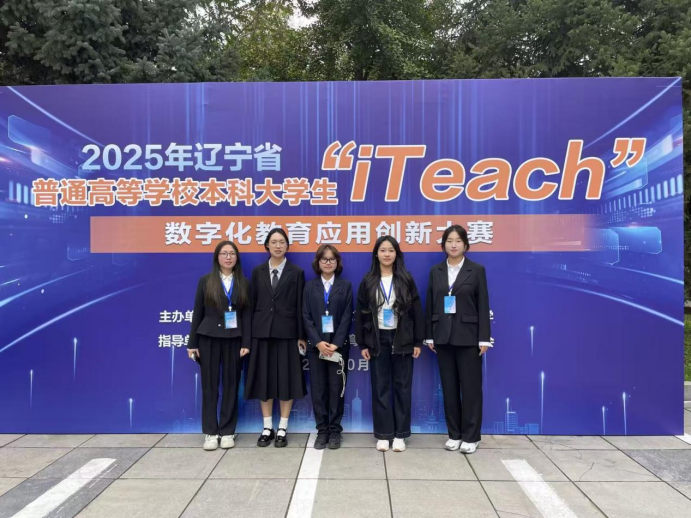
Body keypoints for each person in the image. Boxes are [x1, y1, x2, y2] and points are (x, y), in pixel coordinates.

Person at [425, 224, 491, 454]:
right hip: (443, 338)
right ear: (444, 244)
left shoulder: (477, 270)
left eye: (458, 241)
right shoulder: (436, 271)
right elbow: (430, 304)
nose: (453, 245)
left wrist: (484, 338)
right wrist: (429, 335)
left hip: (469, 338)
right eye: (449, 241)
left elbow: (483, 304)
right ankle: (454, 434)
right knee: (449, 389)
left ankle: (471, 437)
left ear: (465, 244)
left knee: (471, 390)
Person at [355, 236, 424, 452]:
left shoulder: (406, 279)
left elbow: (416, 311)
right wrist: (362, 344)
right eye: (383, 250)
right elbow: (361, 314)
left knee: (402, 387)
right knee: (380, 387)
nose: (387, 254)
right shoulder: (368, 281)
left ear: (397, 254)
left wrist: (417, 341)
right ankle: (384, 434)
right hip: (377, 339)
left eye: (391, 250)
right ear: (376, 254)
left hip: (402, 337)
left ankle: (401, 435)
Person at [245, 228, 307, 447]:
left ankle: (282, 427)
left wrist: (301, 335)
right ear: (267, 245)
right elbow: (252, 304)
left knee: (286, 380)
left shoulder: (296, 272)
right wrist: (249, 336)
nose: (278, 246)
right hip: (262, 333)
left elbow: (300, 306)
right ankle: (267, 427)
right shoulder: (257, 271)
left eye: (282, 242)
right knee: (264, 380)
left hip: (287, 334)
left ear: (287, 246)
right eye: (274, 242)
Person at [187, 240, 251, 451]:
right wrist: (192, 343)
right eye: (224, 253)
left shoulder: (243, 283)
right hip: (208, 338)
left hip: (234, 339)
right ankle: (210, 432)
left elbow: (246, 315)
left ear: (237, 258)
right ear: (217, 257)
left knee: (232, 386)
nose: (228, 257)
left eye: (232, 254)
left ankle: (227, 431)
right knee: (210, 386)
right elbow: (198, 312)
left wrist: (246, 342)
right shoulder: (206, 281)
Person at [303, 244, 353, 449]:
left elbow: (347, 316)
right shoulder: (309, 286)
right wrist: (318, 342)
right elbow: (305, 316)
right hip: (316, 348)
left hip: (337, 348)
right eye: (324, 259)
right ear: (318, 262)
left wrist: (335, 344)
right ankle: (322, 430)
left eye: (332, 259)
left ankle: (335, 431)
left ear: (337, 262)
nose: (328, 262)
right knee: (318, 390)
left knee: (336, 389)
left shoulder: (345, 286)